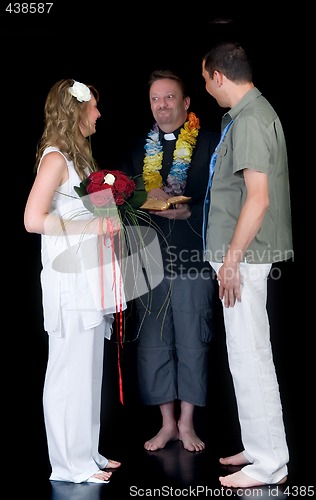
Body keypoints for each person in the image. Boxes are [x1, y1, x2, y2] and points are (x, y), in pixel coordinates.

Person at [201, 41, 293, 487]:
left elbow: (258, 198)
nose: (205, 87)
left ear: (219, 76)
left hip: (244, 257)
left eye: (204, 79)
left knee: (250, 356)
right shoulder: (248, 116)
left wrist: (232, 262)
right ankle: (261, 449)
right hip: (241, 255)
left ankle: (269, 463)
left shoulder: (252, 119)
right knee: (247, 355)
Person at [24, 79, 124, 483]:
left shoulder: (82, 160)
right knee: (68, 372)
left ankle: (87, 453)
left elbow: (104, 217)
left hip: (91, 278)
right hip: (69, 280)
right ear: (77, 111)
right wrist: (91, 226)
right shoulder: (55, 160)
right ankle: (68, 466)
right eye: (94, 108)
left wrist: (112, 222)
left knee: (88, 371)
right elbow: (32, 220)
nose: (99, 115)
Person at [123, 69, 220, 452]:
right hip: (149, 263)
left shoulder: (211, 145)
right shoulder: (137, 149)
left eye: (169, 97)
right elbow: (128, 201)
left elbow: (224, 202)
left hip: (193, 259)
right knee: (154, 344)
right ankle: (166, 423)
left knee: (193, 340)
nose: (161, 105)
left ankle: (187, 423)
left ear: (186, 102)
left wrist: (189, 212)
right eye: (155, 99)